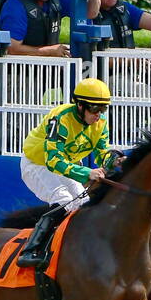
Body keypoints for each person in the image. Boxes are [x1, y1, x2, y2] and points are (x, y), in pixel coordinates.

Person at [17, 78, 122, 267]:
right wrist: (87, 173)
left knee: (84, 204)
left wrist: (114, 158)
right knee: (63, 199)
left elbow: (101, 153)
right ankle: (31, 249)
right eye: (93, 109)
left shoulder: (101, 123)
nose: (98, 115)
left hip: (69, 166)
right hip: (37, 164)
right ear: (80, 105)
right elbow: (53, 160)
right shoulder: (61, 118)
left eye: (103, 109)